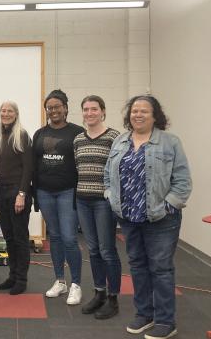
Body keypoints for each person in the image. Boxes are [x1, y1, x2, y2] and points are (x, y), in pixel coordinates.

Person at [104, 95, 192, 339]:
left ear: (155, 116)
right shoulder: (120, 141)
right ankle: (144, 314)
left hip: (161, 219)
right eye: (134, 111)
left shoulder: (170, 142)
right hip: (130, 218)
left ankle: (166, 320)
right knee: (138, 267)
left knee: (161, 269)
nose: (138, 115)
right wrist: (111, 197)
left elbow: (183, 182)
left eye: (144, 111)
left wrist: (166, 207)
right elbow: (108, 175)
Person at [32, 89, 84, 305]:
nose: (53, 110)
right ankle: (60, 281)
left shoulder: (77, 132)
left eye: (57, 106)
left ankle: (76, 285)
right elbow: (34, 164)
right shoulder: (39, 133)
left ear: (65, 108)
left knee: (69, 238)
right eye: (49, 107)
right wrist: (34, 192)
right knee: (54, 237)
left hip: (67, 191)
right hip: (45, 191)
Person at [73, 95, 121, 319]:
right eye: (86, 109)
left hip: (103, 202)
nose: (89, 113)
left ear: (103, 111)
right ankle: (99, 293)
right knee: (92, 250)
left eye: (94, 109)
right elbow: (78, 168)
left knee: (107, 251)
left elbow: (118, 170)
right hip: (82, 200)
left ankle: (113, 298)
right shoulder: (78, 140)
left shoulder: (114, 137)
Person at [0, 101, 33, 295]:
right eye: (3, 110)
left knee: (20, 238)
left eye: (10, 111)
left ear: (16, 114)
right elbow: (1, 168)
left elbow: (28, 169)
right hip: (1, 192)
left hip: (17, 193)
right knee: (8, 237)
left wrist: (22, 195)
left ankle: (22, 279)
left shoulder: (22, 136)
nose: (6, 113)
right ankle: (12, 275)